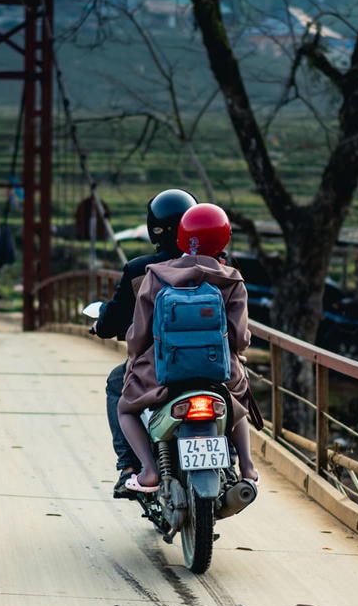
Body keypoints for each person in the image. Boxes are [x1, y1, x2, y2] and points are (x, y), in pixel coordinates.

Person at [117, 203, 260, 494]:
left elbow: (139, 336)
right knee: (238, 405)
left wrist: (136, 356)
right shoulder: (232, 279)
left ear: (182, 237)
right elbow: (239, 338)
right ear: (224, 239)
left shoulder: (156, 275)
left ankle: (148, 471)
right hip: (218, 374)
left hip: (164, 374)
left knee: (125, 409)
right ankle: (247, 466)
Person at [93, 188, 197, 497]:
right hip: (213, 362)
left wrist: (101, 326)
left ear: (154, 228)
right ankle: (239, 464)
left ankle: (130, 467)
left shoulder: (140, 270)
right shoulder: (218, 265)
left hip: (160, 366)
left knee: (117, 383)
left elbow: (114, 320)